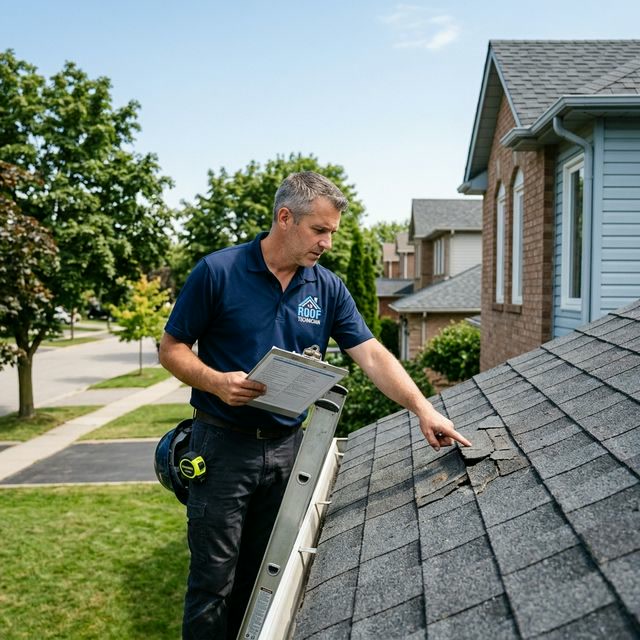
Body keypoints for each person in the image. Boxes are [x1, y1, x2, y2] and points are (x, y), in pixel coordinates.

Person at [159, 171, 471, 640]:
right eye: (319, 230)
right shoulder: (218, 272)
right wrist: (216, 382)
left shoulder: (326, 288)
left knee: (264, 578)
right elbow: (172, 349)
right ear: (285, 218)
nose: (327, 243)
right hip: (222, 447)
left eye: (331, 233)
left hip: (289, 452)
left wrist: (422, 409)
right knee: (212, 583)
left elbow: (371, 354)